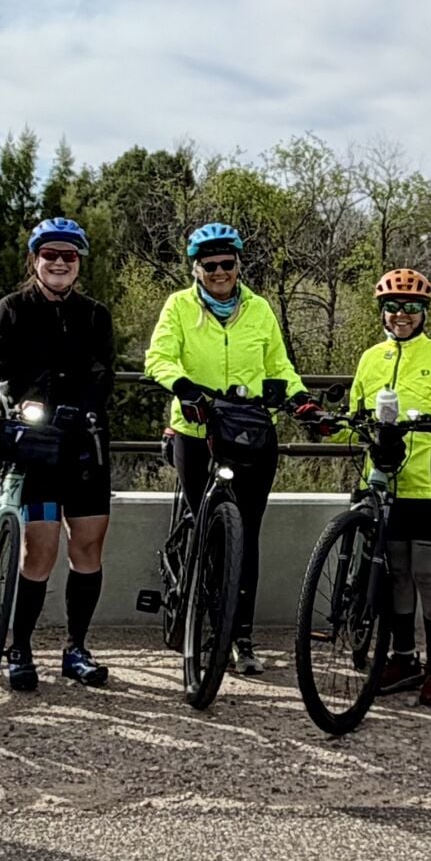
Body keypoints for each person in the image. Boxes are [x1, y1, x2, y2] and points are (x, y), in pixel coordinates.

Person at [144, 222, 318, 676]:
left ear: (239, 264)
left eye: (228, 263)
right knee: (208, 526)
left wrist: (301, 400)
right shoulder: (179, 307)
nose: (220, 272)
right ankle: (196, 614)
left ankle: (239, 634)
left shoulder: (259, 309)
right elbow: (158, 356)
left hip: (249, 431)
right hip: (197, 430)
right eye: (210, 265)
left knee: (245, 535)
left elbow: (279, 364)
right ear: (196, 269)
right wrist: (182, 387)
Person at [0, 218, 116, 691]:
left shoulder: (95, 315)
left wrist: (83, 409)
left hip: (84, 445)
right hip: (33, 447)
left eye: (69, 256)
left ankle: (76, 648)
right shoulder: (12, 309)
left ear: (79, 263)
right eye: (49, 254)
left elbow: (105, 373)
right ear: (34, 260)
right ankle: (21, 648)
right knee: (40, 550)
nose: (58, 262)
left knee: (88, 547)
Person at [333, 269, 431, 705]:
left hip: (428, 486)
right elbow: (353, 419)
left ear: (424, 312)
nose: (401, 315)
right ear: (382, 312)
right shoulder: (370, 358)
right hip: (381, 483)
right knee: (396, 574)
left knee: (427, 573)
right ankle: (403, 657)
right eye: (392, 307)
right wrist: (328, 423)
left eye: (411, 307)